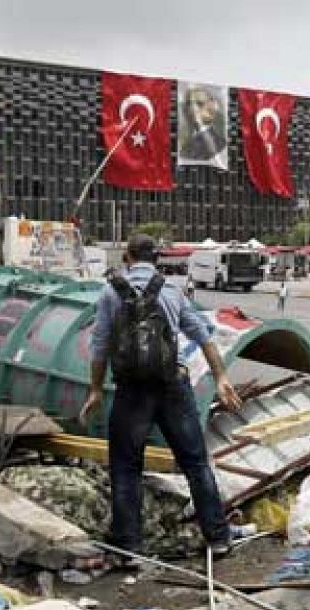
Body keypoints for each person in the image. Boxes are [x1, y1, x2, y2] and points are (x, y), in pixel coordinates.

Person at [81, 234, 243, 557]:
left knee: (126, 466)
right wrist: (221, 375)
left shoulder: (111, 292)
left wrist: (96, 390)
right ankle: (218, 537)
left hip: (132, 391)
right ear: (156, 259)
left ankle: (129, 546)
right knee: (195, 462)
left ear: (127, 257)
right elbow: (202, 334)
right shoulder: (171, 289)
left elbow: (99, 347)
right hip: (172, 386)